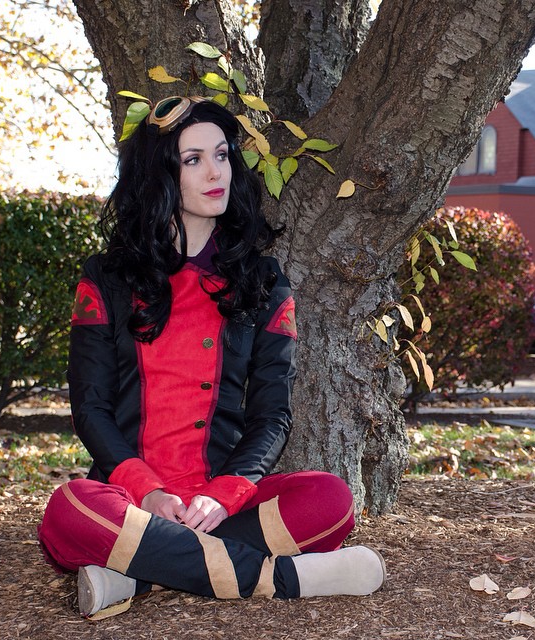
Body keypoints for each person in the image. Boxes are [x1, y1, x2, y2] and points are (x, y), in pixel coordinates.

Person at [38, 96, 386, 617]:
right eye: (193, 159)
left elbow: (272, 416)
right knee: (68, 509)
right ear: (161, 175)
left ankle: (138, 577)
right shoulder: (106, 279)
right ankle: (282, 579)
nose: (215, 171)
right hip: (132, 500)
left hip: (219, 502)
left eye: (222, 155)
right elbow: (90, 407)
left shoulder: (264, 283)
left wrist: (223, 494)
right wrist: (147, 492)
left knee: (330, 500)